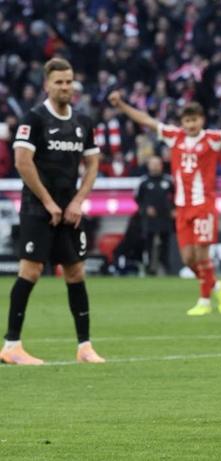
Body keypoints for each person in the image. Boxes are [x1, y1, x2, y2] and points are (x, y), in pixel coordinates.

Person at [108, 90, 221, 315]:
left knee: (202, 255)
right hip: (182, 208)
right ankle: (216, 286)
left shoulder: (211, 139)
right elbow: (146, 120)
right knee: (188, 259)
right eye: (187, 121)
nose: (191, 125)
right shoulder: (174, 136)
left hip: (203, 206)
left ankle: (204, 302)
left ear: (202, 120)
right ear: (182, 122)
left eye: (194, 120)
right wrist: (122, 105)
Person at [0, 58, 104, 365]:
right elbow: (22, 162)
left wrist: (77, 201)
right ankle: (11, 345)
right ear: (47, 85)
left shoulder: (83, 122)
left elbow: (93, 164)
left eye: (69, 81)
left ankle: (85, 347)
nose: (65, 87)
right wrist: (47, 202)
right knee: (30, 271)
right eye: (59, 82)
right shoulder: (34, 119)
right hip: (38, 208)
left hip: (68, 210)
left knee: (76, 272)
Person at [135, 156, 175, 275]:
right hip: (150, 219)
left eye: (157, 164)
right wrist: (145, 209)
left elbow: (176, 196)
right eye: (153, 164)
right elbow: (138, 199)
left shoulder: (168, 181)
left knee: (166, 243)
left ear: (161, 165)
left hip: (165, 217)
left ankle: (166, 267)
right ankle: (149, 268)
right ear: (148, 166)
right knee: (148, 243)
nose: (155, 166)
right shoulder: (144, 182)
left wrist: (174, 209)